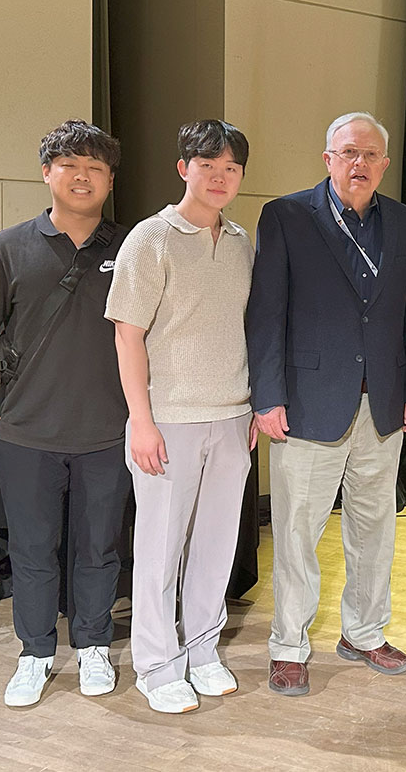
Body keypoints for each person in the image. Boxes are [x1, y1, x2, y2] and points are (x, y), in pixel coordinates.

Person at [246, 112, 406, 696]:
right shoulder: (286, 215)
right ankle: (289, 645)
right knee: (297, 531)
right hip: (305, 404)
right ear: (328, 159)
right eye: (348, 152)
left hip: (382, 403)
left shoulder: (405, 223)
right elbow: (266, 314)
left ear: (384, 163)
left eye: (370, 154)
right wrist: (267, 395)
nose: (359, 164)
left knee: (375, 528)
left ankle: (365, 632)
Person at [0, 119, 129, 707]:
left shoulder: (130, 247)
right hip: (26, 434)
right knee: (33, 552)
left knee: (99, 548)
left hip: (109, 433)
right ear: (47, 174)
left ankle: (92, 647)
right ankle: (34, 653)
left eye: (95, 167)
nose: (82, 176)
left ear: (110, 179)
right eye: (70, 165)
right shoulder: (8, 247)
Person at [106, 119, 256, 714]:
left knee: (216, 545)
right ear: (183, 168)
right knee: (160, 547)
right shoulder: (150, 238)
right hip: (166, 419)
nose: (219, 177)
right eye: (207, 165)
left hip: (232, 416)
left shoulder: (241, 240)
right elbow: (127, 336)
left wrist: (249, 408)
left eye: (231, 168)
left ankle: (200, 650)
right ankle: (156, 663)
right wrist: (140, 421)